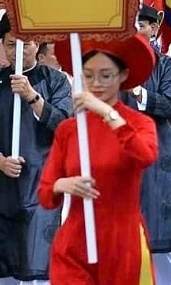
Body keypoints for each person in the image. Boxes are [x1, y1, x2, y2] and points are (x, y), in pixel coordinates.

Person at [40, 34, 159, 283]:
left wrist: (106, 112)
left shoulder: (139, 123)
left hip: (121, 242)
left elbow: (145, 156)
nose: (96, 83)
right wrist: (64, 185)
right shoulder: (69, 130)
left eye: (106, 75)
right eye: (88, 75)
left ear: (123, 75)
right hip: (75, 241)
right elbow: (45, 192)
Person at [0, 14, 73, 284]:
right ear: (2, 44)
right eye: (12, 44)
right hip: (2, 184)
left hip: (42, 183)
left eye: (26, 44)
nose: (19, 51)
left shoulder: (55, 81)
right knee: (7, 262)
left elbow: (65, 126)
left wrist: (33, 97)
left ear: (37, 44)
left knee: (40, 262)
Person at [124, 4, 171, 285]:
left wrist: (138, 91)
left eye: (141, 25)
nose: (136, 30)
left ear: (154, 29)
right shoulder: (111, 67)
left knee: (159, 240)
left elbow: (169, 104)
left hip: (157, 159)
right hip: (119, 162)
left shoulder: (168, 67)